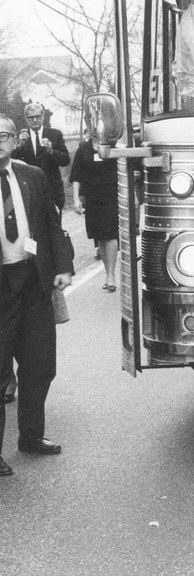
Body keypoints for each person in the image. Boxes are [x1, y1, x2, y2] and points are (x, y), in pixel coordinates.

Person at [0, 114, 74, 477]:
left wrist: (63, 266)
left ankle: (31, 436)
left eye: (2, 136)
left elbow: (50, 224)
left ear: (14, 140)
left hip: (31, 281)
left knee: (40, 364)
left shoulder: (33, 175)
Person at [70, 137, 118, 291]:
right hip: (92, 197)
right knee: (100, 237)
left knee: (110, 234)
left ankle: (111, 276)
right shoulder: (83, 149)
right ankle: (107, 272)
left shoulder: (114, 145)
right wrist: (76, 198)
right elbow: (76, 175)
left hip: (111, 195)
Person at [13, 102, 69, 211]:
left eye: (37, 117)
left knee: (55, 226)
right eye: (31, 117)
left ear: (43, 116)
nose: (34, 120)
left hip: (52, 191)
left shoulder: (55, 134)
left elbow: (65, 160)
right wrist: (19, 146)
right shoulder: (21, 137)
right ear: (26, 118)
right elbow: (11, 161)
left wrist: (52, 151)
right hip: (29, 191)